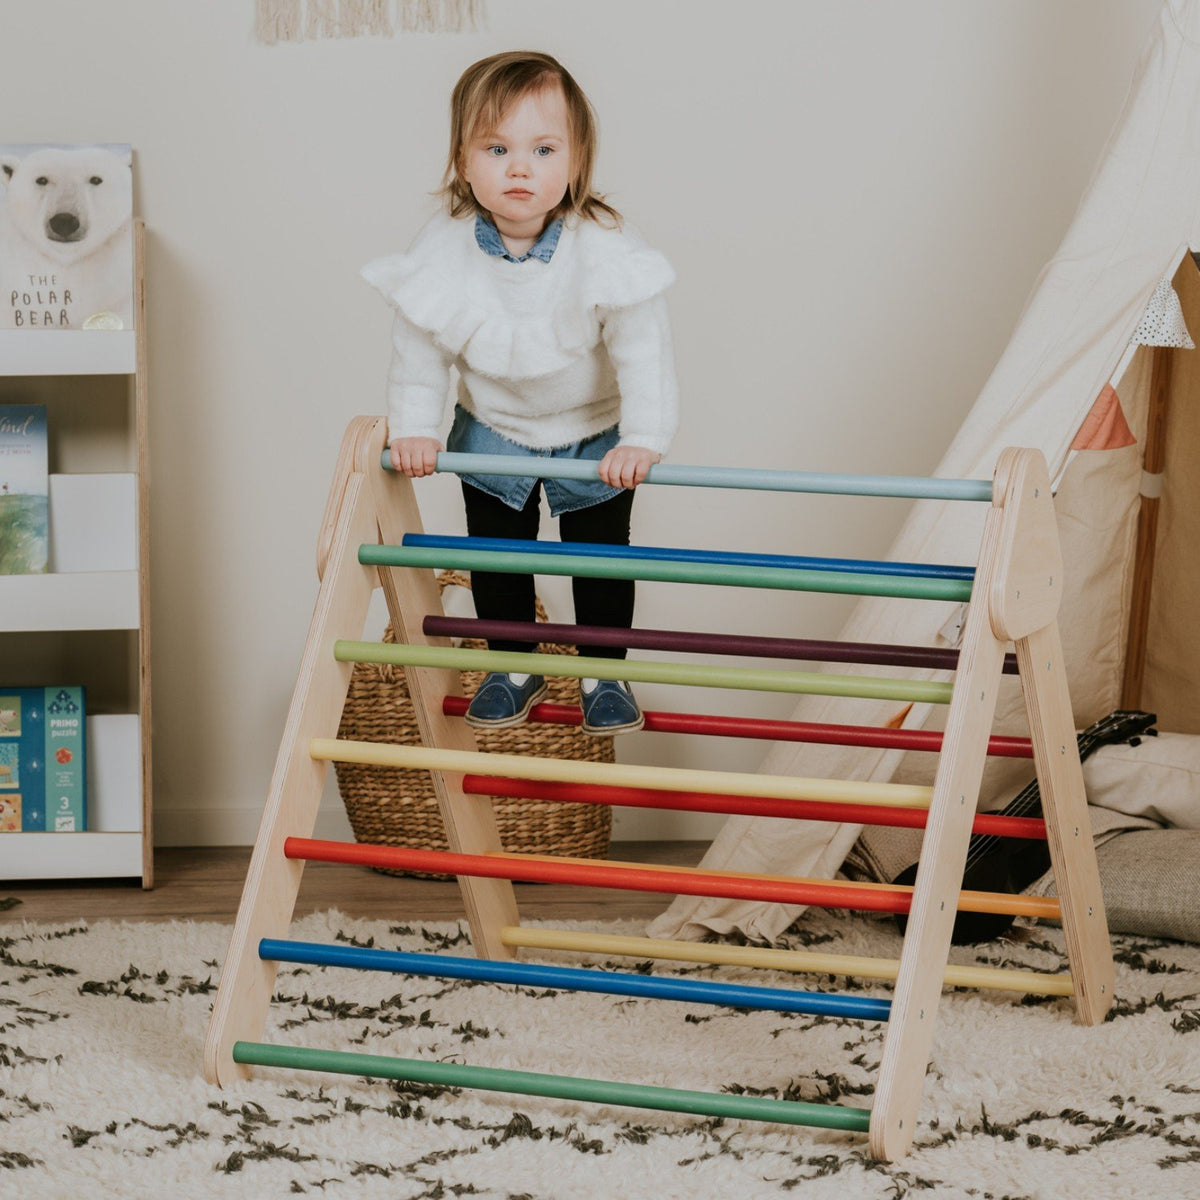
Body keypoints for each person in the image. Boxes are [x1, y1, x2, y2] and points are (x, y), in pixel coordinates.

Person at [361, 50, 679, 735]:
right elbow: (419, 348)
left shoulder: (603, 242)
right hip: (494, 424)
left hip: (594, 431)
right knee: (497, 554)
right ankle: (513, 664)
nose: (518, 167)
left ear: (576, 159)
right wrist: (413, 427)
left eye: (542, 149)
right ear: (462, 159)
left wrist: (643, 438)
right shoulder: (444, 246)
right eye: (496, 148)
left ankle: (603, 669)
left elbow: (644, 350)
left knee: (599, 557)